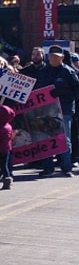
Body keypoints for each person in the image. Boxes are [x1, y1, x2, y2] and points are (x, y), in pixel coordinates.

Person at [31, 45, 77, 176]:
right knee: (46, 138)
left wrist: (61, 93)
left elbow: (76, 91)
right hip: (46, 111)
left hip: (65, 110)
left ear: (62, 57)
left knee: (64, 139)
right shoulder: (43, 71)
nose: (53, 59)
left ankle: (66, 168)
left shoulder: (68, 72)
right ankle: (48, 168)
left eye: (56, 57)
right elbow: (36, 89)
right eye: (51, 56)